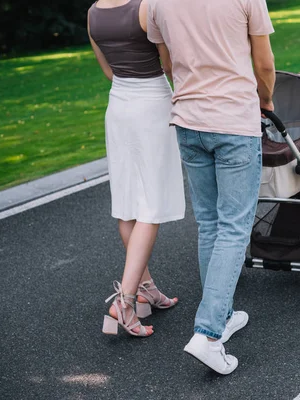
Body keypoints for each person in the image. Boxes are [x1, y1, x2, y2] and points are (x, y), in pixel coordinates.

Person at [148, 0, 276, 374]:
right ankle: (208, 335)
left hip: (189, 121)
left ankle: (222, 313)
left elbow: (167, 63)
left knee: (209, 223)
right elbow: (264, 64)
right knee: (234, 227)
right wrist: (265, 102)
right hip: (234, 119)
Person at [87, 0, 186, 337]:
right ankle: (125, 302)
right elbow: (169, 63)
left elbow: (108, 71)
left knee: (128, 203)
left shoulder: (93, 14)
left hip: (118, 106)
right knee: (151, 205)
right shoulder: (147, 7)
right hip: (151, 104)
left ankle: (146, 289)